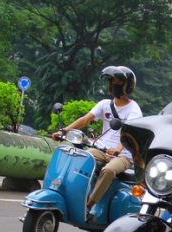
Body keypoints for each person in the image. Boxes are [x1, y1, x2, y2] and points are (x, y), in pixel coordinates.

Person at [52, 65, 142, 221]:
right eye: (112, 81)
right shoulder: (105, 104)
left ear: (128, 85)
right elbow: (85, 119)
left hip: (123, 155)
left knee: (108, 170)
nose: (114, 84)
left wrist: (118, 148)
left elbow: (129, 133)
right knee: (81, 158)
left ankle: (88, 206)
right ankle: (72, 196)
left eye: (119, 81)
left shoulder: (133, 109)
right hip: (102, 149)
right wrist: (63, 131)